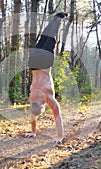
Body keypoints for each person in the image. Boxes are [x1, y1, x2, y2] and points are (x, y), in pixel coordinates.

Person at [25, 12, 68, 143]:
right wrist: (33, 131)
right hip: (33, 64)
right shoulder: (32, 99)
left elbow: (57, 115)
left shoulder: (46, 98)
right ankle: (54, 20)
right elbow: (33, 116)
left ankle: (59, 19)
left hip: (44, 64)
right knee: (43, 39)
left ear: (43, 106)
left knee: (50, 39)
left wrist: (60, 137)